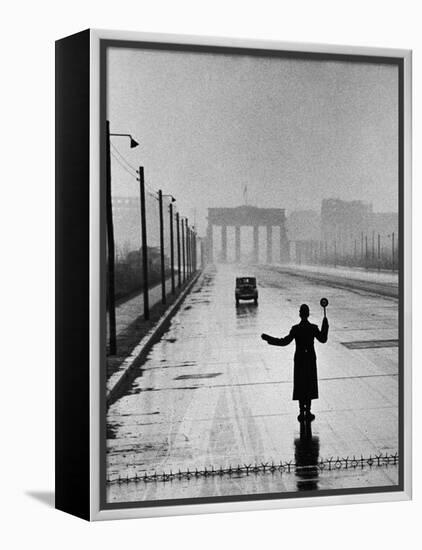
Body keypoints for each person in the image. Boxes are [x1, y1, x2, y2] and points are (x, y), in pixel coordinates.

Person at [261, 304, 329, 422]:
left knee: (300, 384)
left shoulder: (296, 329)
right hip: (310, 359)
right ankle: (308, 410)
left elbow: (284, 342)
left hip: (299, 359)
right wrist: (325, 324)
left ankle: (301, 411)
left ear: (300, 314)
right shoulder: (313, 328)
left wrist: (269, 339)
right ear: (308, 314)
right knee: (309, 384)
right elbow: (323, 339)